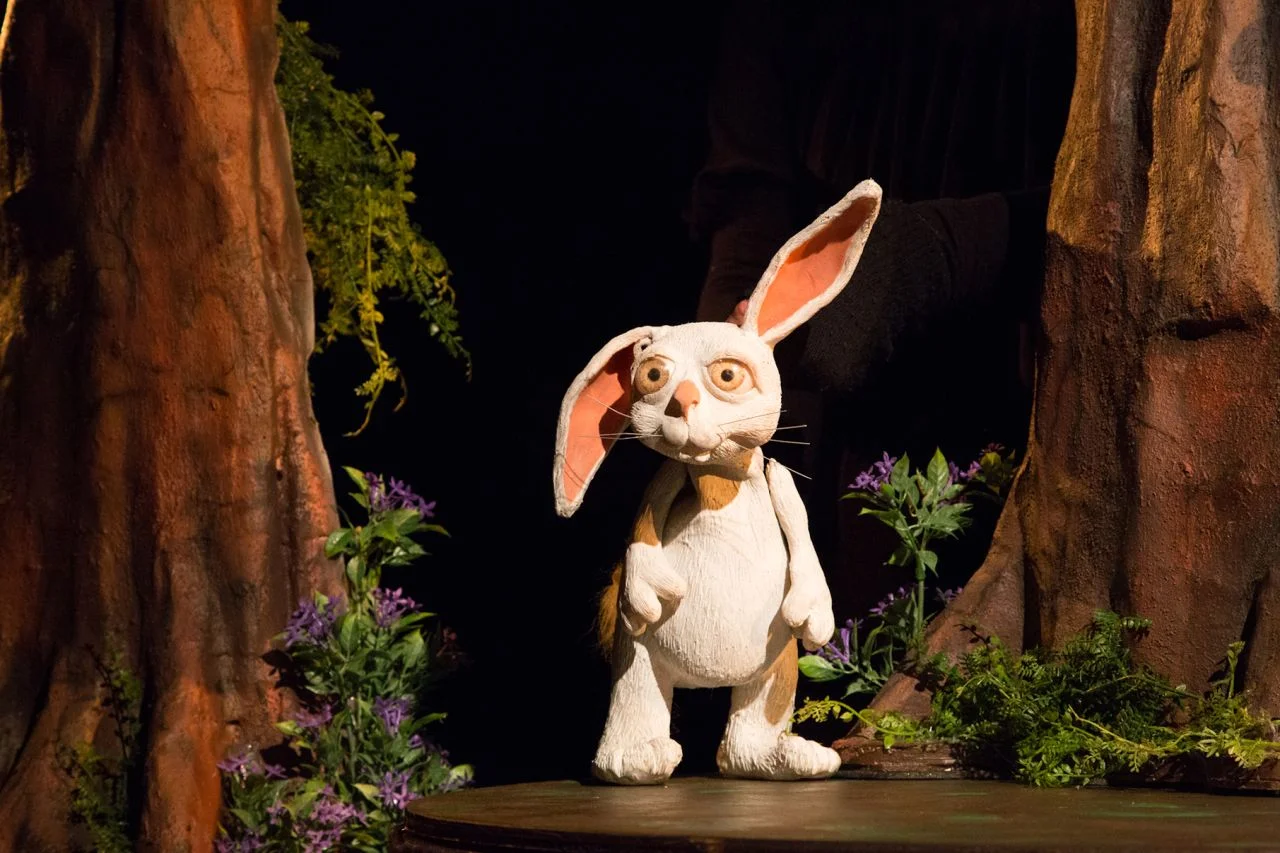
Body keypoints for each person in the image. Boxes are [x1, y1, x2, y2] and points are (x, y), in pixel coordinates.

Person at [687, 0, 1076, 622]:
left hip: (1017, 357)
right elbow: (750, 184)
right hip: (828, 377)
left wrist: (917, 259)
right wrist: (716, 358)